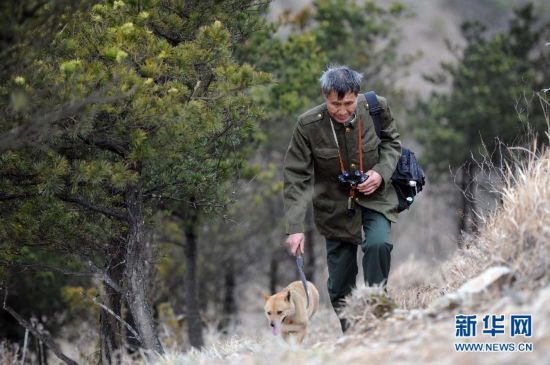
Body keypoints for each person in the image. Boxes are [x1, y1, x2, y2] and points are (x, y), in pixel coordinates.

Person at [283, 65, 401, 332]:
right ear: (325, 97)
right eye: (335, 104)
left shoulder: (376, 108)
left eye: (348, 103)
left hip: (375, 197)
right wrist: (295, 228)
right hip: (334, 208)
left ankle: (376, 313)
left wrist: (380, 173)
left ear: (357, 96)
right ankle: (353, 332)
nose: (342, 110)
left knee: (378, 245)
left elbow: (393, 143)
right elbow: (295, 177)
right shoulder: (308, 125)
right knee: (339, 283)